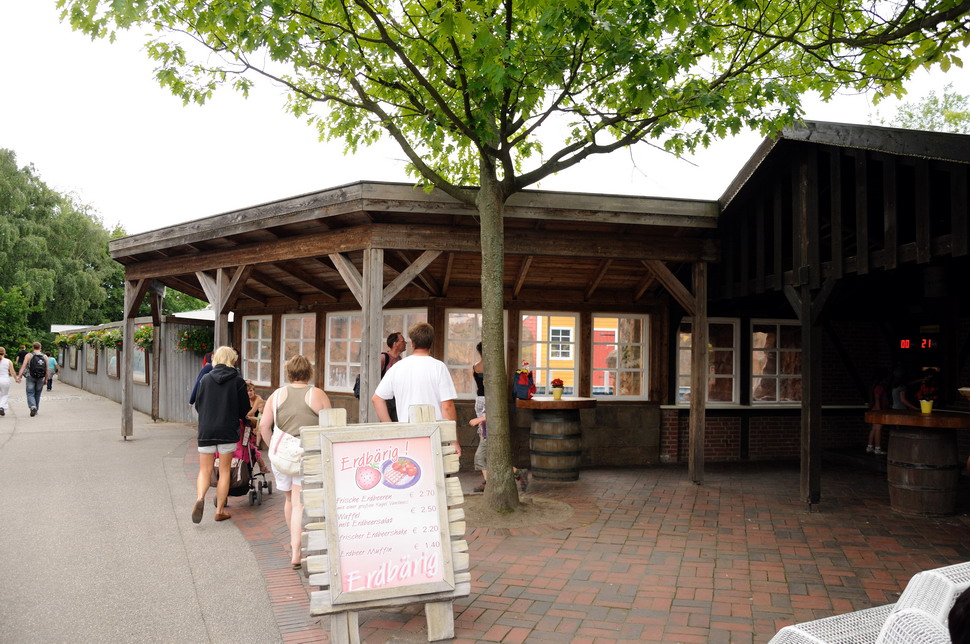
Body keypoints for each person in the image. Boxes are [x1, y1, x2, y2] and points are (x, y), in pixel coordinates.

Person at [259, 355, 331, 569]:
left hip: (281, 456)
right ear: (309, 372)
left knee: (289, 500)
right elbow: (330, 425)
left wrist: (273, 447)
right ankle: (297, 552)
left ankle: (293, 544)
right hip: (304, 454)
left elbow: (264, 426)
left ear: (288, 373)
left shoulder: (276, 395)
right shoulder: (316, 394)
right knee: (300, 503)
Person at [372, 322, 460, 454]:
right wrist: (454, 440)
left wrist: (391, 428)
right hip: (436, 435)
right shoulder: (439, 367)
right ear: (431, 343)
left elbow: (377, 399)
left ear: (412, 343)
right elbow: (447, 406)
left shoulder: (397, 367)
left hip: (407, 434)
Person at [191, 346, 249, 524]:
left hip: (207, 429)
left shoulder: (206, 379)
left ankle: (200, 497)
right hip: (227, 430)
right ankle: (220, 510)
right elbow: (244, 409)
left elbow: (198, 405)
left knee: (205, 470)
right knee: (224, 471)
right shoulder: (238, 381)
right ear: (232, 359)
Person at [379, 331, 407, 421]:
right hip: (385, 398)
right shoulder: (383, 358)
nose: (405, 343)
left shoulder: (400, 360)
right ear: (395, 344)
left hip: (396, 398)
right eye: (403, 341)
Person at [15, 342, 48, 417]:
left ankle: (33, 407)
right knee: (38, 393)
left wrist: (19, 376)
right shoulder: (45, 356)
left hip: (30, 376)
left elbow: (23, 366)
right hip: (40, 377)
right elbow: (47, 369)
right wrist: (46, 379)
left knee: (30, 393)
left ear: (33, 348)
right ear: (40, 348)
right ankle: (36, 409)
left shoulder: (29, 355)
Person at [471, 342, 487, 492]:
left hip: (480, 400)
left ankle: (486, 479)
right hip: (489, 400)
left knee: (484, 436)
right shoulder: (494, 368)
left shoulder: (476, 367)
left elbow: (478, 387)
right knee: (486, 437)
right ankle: (487, 479)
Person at [866, 367, 890, 455]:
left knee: (874, 429)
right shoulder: (879, 387)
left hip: (875, 410)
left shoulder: (874, 386)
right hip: (878, 410)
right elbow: (877, 400)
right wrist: (880, 412)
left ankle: (869, 446)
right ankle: (877, 448)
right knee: (878, 429)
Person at [0, 347, 14, 416]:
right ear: (4, 353)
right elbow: (12, 372)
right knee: (4, 394)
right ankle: (2, 407)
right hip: (5, 380)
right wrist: (16, 378)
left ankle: (2, 407)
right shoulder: (8, 361)